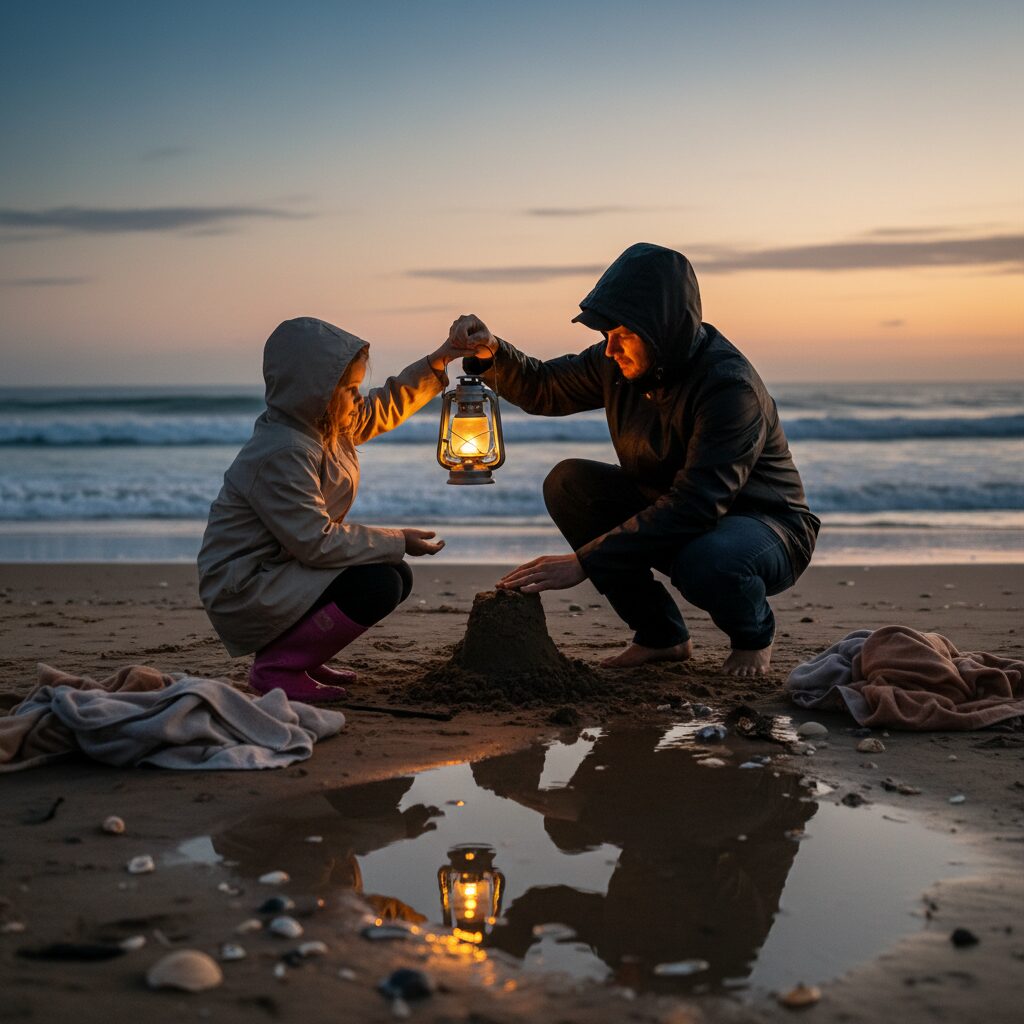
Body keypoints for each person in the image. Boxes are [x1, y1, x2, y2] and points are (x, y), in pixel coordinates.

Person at [448, 242, 820, 677]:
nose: (610, 349)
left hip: (768, 528)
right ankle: (661, 637)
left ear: (663, 331)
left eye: (622, 335)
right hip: (679, 514)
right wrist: (493, 350)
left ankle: (753, 635)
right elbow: (544, 387)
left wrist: (586, 561)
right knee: (569, 483)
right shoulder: (618, 363)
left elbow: (698, 504)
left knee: (710, 560)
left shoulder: (729, 389)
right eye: (607, 336)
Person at [198, 316, 463, 703]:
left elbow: (381, 407)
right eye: (351, 389)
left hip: (280, 568)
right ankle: (278, 667)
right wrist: (397, 539)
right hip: (244, 584)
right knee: (380, 583)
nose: (358, 399)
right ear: (316, 392)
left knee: (394, 573)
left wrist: (439, 361)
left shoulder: (324, 427)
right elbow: (316, 541)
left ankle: (303, 653)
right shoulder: (283, 451)